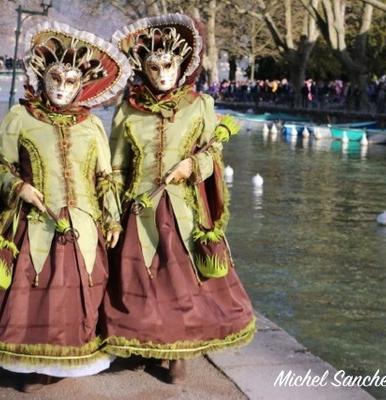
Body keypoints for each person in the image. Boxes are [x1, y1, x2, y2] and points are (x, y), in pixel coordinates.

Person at [101, 13, 255, 384]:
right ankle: (140, 344)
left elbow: (211, 154)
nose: (161, 73)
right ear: (143, 68)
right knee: (136, 280)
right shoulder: (128, 110)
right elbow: (117, 164)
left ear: (182, 63)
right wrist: (112, 212)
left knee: (180, 283)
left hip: (181, 209)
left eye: (167, 64)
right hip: (138, 207)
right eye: (153, 67)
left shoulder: (198, 106)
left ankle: (178, 356)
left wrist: (192, 165)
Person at [0, 21, 130, 391]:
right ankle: (32, 365)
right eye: (55, 78)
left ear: (81, 85)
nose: (61, 87)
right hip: (36, 222)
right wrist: (18, 185)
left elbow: (105, 176)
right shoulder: (19, 118)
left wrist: (113, 218)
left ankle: (65, 361)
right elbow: (1, 165)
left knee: (79, 292)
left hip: (84, 224)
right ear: (41, 77)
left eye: (71, 81)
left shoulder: (92, 126)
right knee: (34, 288)